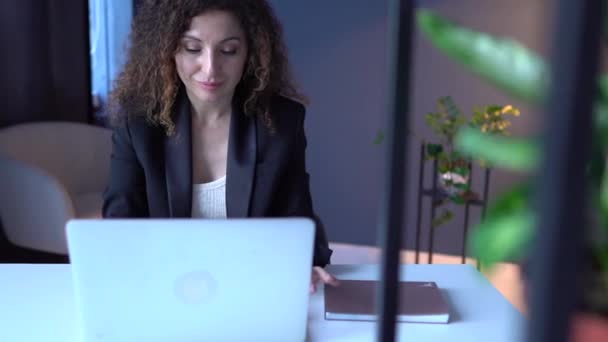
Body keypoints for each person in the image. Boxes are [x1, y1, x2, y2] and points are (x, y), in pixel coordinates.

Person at [102, 0, 339, 293]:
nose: (210, 68)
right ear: (168, 51)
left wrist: (305, 265)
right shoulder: (137, 124)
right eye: (192, 48)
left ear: (250, 54)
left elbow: (298, 221)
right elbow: (119, 229)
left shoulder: (280, 122)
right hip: (162, 289)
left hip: (250, 288)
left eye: (228, 50)